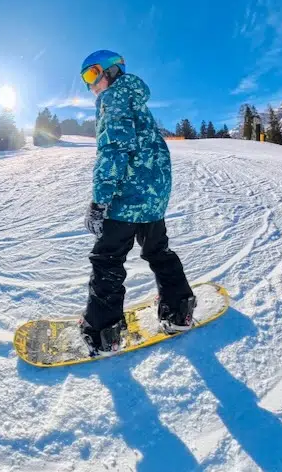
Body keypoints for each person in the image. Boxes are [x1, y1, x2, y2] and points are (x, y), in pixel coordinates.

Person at [77, 50, 196, 355]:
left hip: (127, 197)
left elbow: (114, 150)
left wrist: (100, 201)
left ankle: (103, 332)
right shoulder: (135, 99)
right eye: (85, 80)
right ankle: (178, 309)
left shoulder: (113, 99)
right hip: (152, 197)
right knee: (158, 250)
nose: (90, 85)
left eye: (92, 75)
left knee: (108, 259)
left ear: (111, 71)